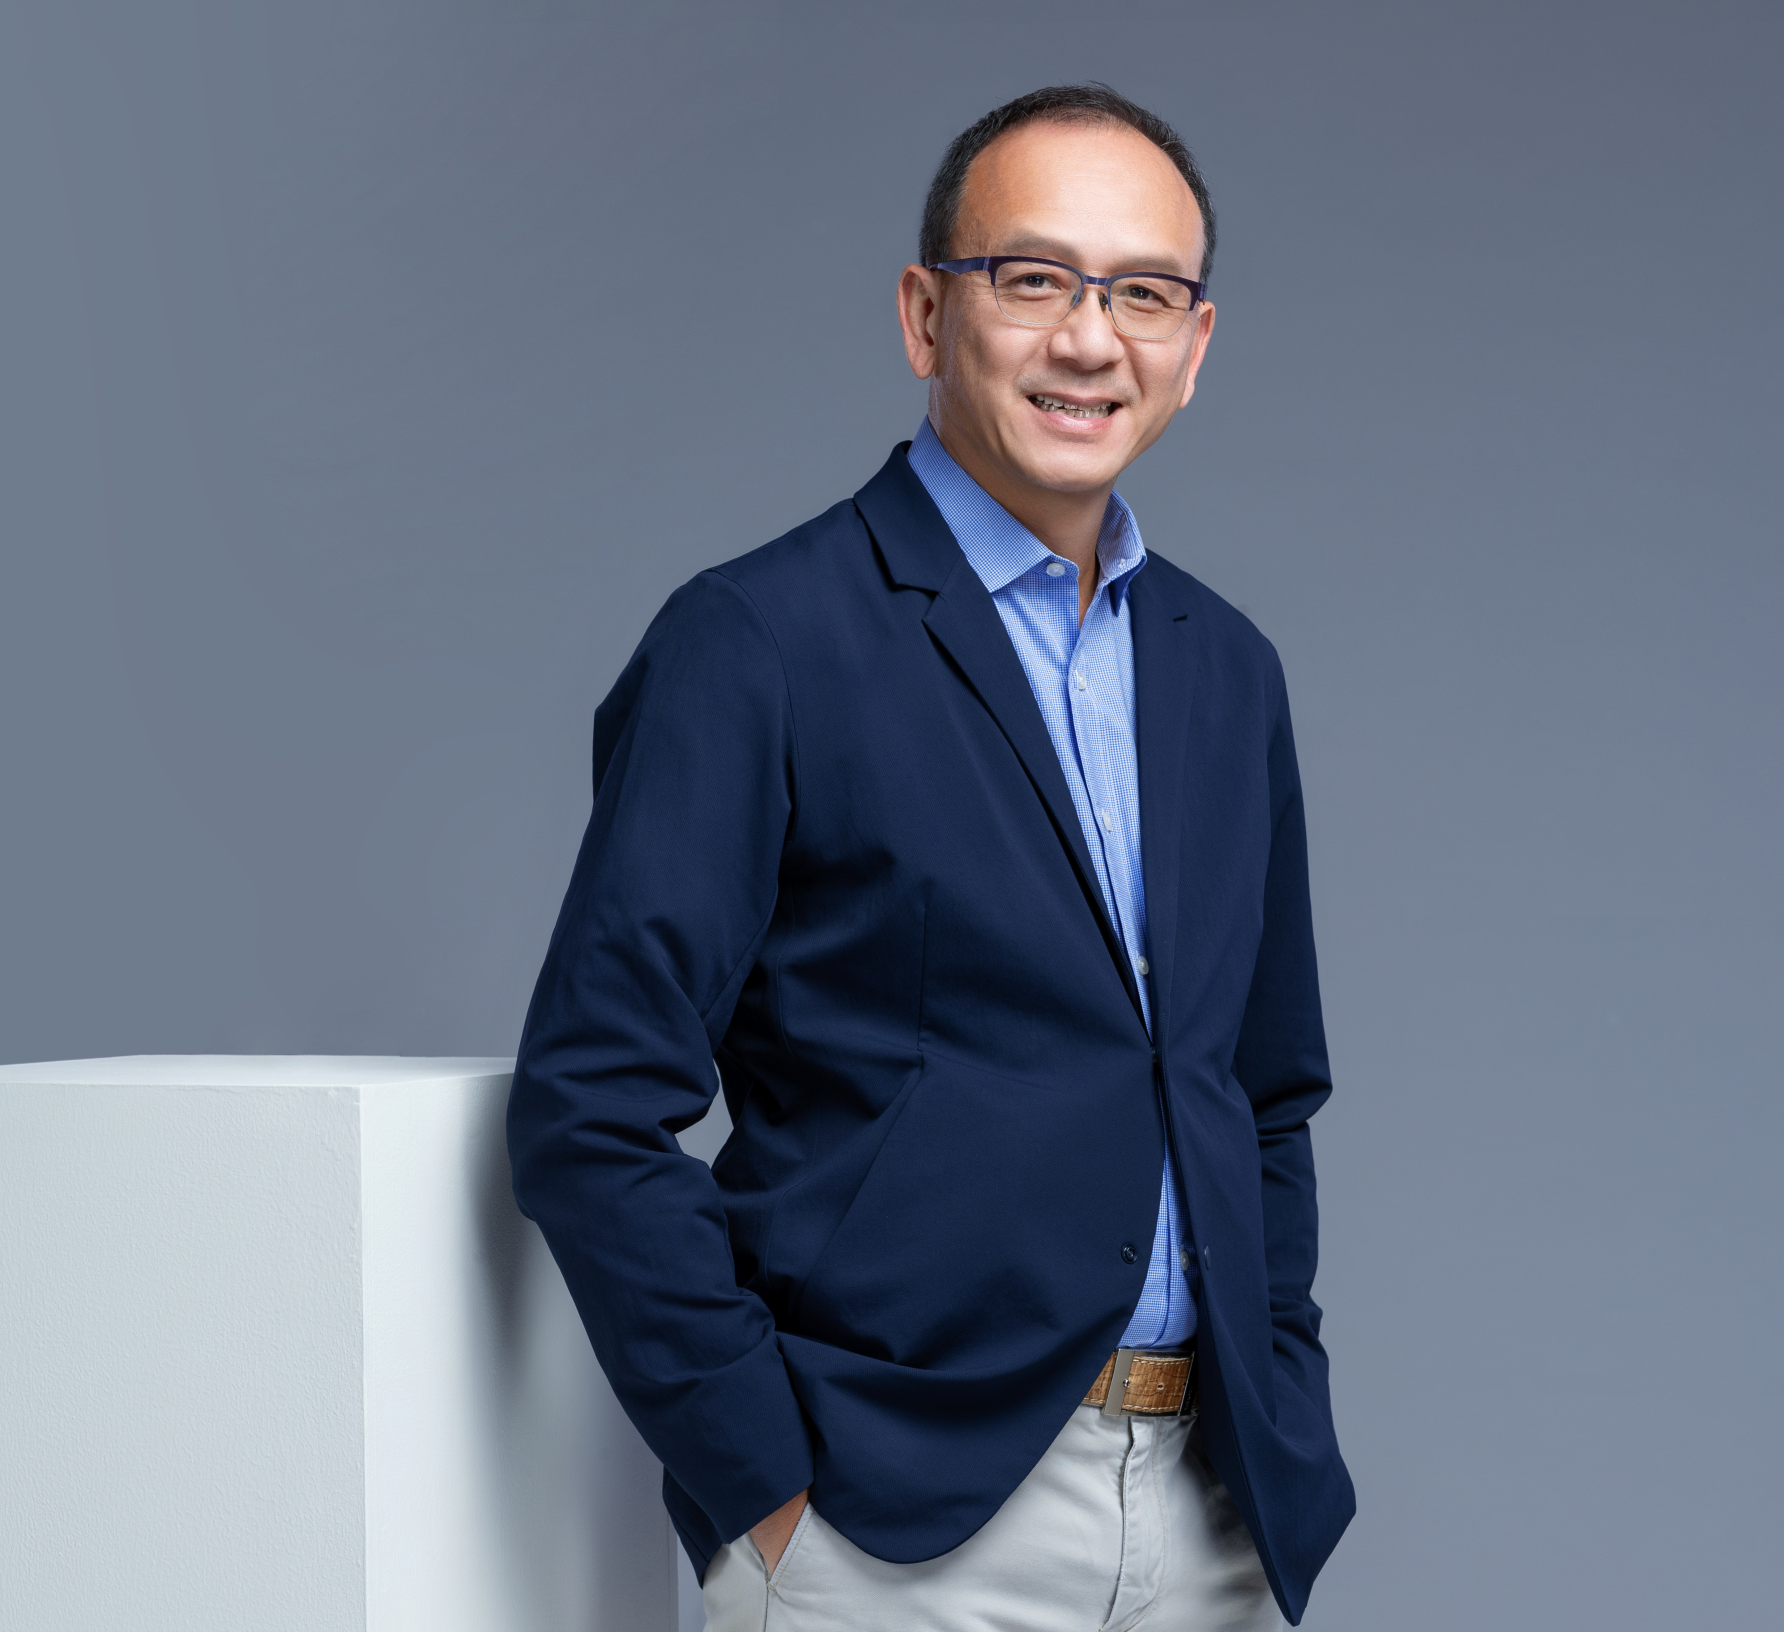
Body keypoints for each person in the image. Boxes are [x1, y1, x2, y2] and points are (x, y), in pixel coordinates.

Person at [506, 84, 1353, 1630]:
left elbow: (1262, 1090)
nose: (1089, 340)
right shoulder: (757, 642)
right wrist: (763, 1485)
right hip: (894, 1535)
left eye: (1142, 293)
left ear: (1195, 345)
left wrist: (1279, 1377)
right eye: (1034, 279)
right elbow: (591, 1101)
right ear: (924, 314)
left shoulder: (1227, 670)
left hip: (1210, 1517)